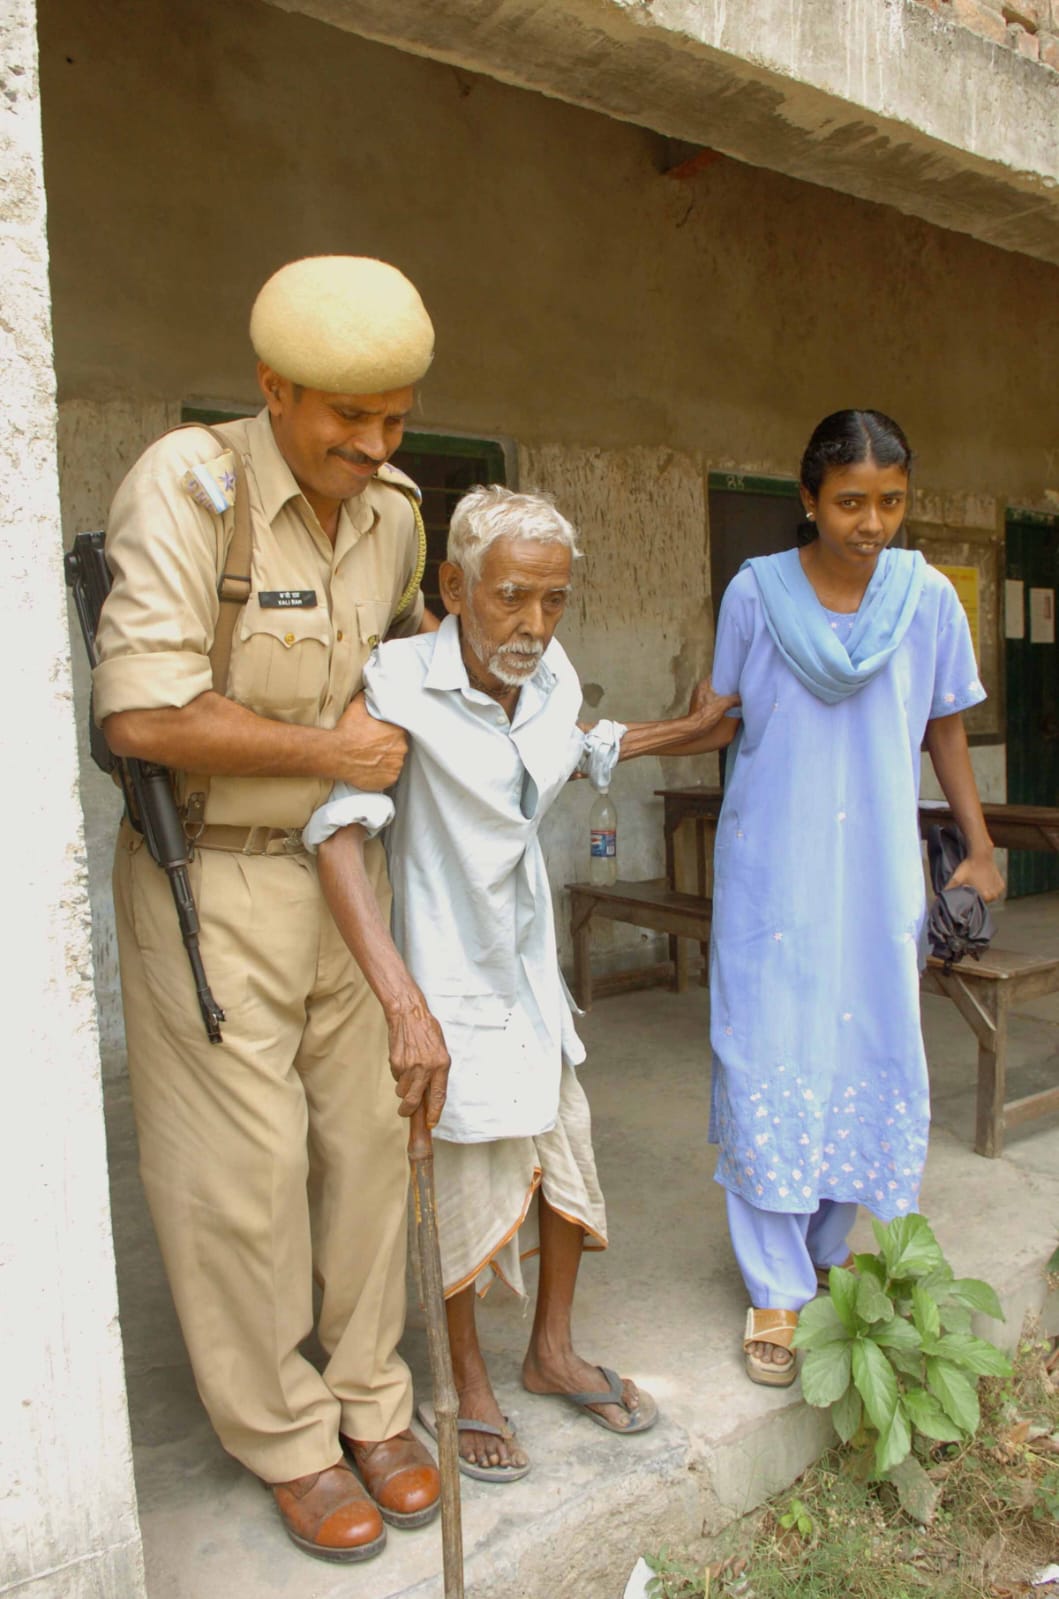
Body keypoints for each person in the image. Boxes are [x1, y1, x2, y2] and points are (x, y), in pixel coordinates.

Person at [94, 256, 447, 1562]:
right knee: (239, 1177)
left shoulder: (395, 511)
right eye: (345, 416)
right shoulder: (191, 488)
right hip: (217, 876)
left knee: (364, 1142)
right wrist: (330, 756)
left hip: (341, 868)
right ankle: (288, 1433)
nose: (370, 443)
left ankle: (370, 1395)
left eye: (395, 417)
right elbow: (139, 709)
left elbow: (389, 675)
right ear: (273, 387)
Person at [304, 485, 739, 1480]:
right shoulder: (398, 684)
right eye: (511, 598)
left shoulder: (549, 676)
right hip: (444, 978)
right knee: (458, 1176)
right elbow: (338, 837)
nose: (534, 625)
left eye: (554, 601)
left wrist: (684, 728)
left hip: (530, 977)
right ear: (454, 587)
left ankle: (548, 1354)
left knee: (564, 1154)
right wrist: (403, 1007)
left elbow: (576, 747)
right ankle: (467, 1378)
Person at [704, 409, 1004, 1387]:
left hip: (875, 862)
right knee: (766, 1051)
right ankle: (774, 1288)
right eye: (849, 502)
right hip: (772, 862)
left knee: (862, 1038)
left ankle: (829, 1253)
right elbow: (722, 716)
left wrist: (983, 846)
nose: (871, 522)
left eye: (891, 502)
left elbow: (947, 731)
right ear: (808, 499)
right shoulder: (756, 594)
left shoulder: (926, 602)